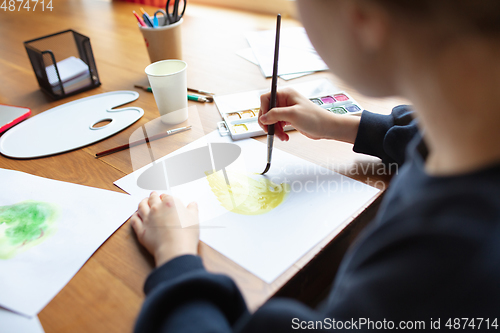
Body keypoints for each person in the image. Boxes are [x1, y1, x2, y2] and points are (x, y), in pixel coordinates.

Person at [130, 0, 500, 331]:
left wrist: (176, 260)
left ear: (363, 20)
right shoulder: (468, 127)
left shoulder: (430, 272)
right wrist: (335, 124)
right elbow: (421, 133)